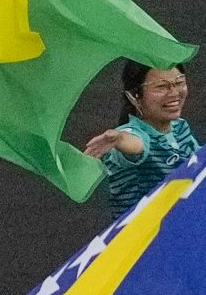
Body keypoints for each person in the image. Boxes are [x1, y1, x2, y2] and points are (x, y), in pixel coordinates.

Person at [84, 59, 199, 215]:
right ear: (134, 96)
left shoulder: (180, 127)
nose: (174, 93)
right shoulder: (130, 134)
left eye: (179, 82)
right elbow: (138, 145)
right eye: (161, 86)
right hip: (145, 236)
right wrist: (118, 139)